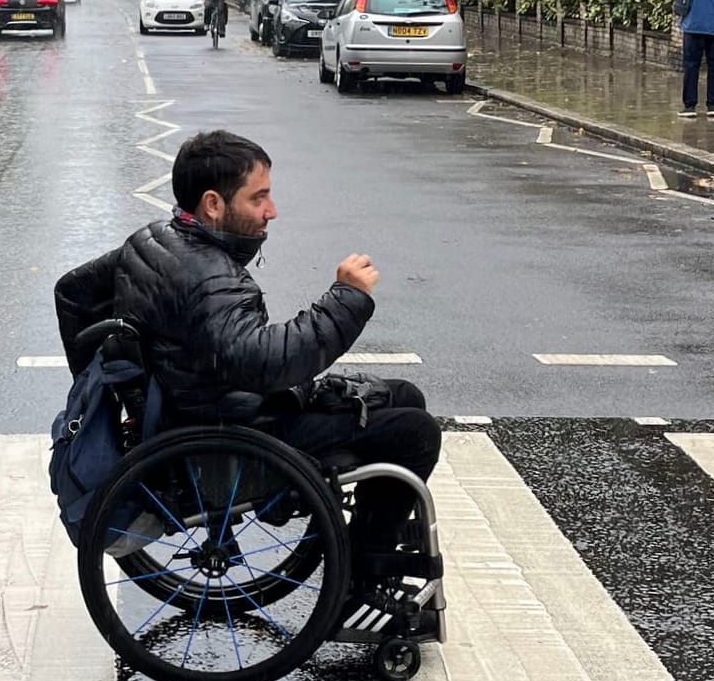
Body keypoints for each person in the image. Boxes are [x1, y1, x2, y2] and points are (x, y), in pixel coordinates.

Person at [54, 129, 440, 582]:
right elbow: (268, 363)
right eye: (259, 198)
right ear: (213, 204)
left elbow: (73, 293)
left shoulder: (151, 241)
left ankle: (371, 537)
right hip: (231, 438)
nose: (271, 211)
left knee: (404, 395)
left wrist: (115, 392)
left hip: (199, 415)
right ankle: (362, 578)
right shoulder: (208, 277)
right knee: (415, 433)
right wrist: (347, 298)